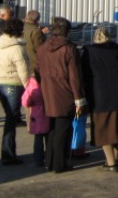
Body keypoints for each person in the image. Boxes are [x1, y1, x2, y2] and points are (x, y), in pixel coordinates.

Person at [35, 17, 86, 173]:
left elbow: (37, 69)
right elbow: (75, 76)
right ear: (67, 31)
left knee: (51, 129)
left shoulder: (42, 48)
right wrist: (79, 99)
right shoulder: (69, 49)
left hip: (47, 91)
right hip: (64, 92)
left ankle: (49, 161)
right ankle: (59, 163)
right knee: (63, 130)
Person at [81, 28, 118, 172]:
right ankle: (113, 159)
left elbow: (84, 75)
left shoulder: (89, 52)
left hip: (99, 96)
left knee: (103, 130)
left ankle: (111, 163)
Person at [0, 18, 30, 165]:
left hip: (0, 83)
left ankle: (8, 152)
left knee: (10, 118)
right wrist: (29, 87)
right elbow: (23, 71)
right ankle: (8, 154)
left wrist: (0, 71)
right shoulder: (18, 48)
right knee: (11, 120)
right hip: (14, 84)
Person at [22, 74, 50, 168]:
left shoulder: (32, 85)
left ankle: (38, 160)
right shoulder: (47, 82)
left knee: (38, 138)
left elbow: (25, 101)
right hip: (48, 112)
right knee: (49, 137)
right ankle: (50, 157)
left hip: (36, 114)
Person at [23, 10, 45, 77]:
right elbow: (40, 49)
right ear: (38, 20)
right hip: (32, 65)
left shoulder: (19, 28)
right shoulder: (36, 31)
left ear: (27, 17)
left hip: (20, 63)